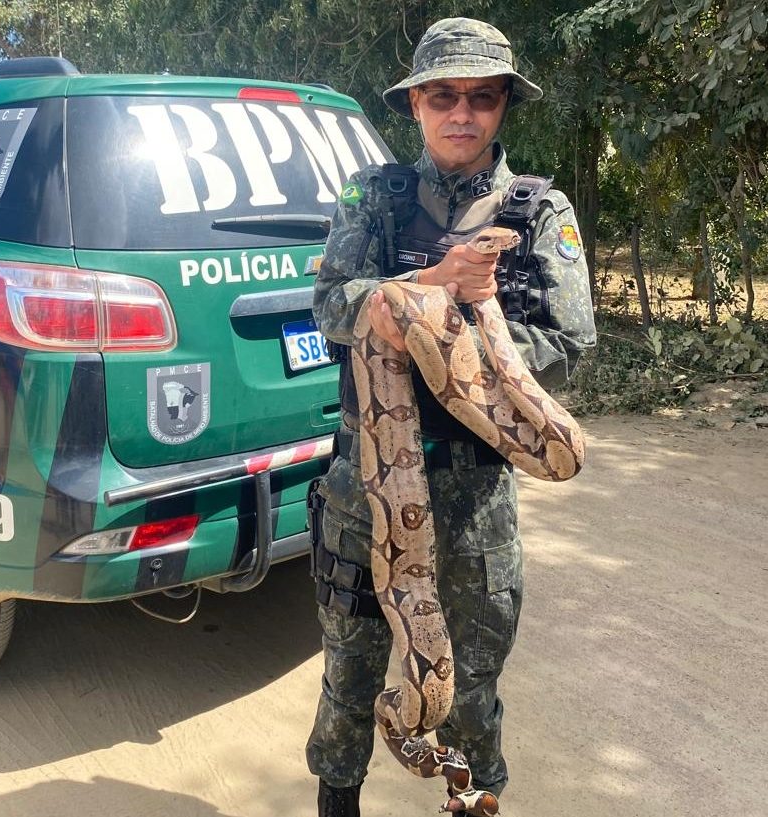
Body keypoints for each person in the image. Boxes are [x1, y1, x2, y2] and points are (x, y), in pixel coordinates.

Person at [306, 17, 597, 817]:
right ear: (415, 105)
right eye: (443, 95)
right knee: (350, 674)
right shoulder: (372, 195)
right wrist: (432, 282)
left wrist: (454, 332)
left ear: (503, 105)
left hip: (474, 501)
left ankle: (471, 799)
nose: (461, 112)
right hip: (361, 488)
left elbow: (569, 342)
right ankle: (340, 798)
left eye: (480, 96)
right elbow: (330, 305)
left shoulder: (538, 210)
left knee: (471, 690)